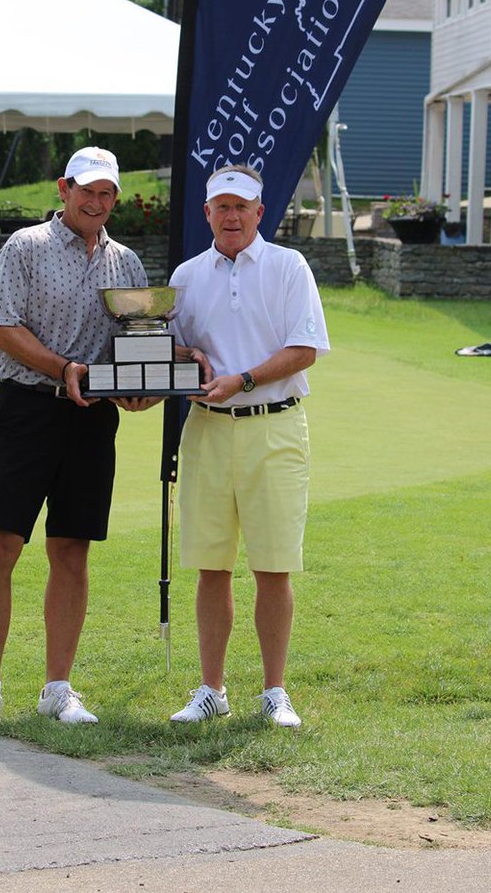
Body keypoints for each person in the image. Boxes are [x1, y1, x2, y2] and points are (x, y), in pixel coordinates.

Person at [0, 146, 156, 733]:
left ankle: (57, 689)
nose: (97, 203)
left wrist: (148, 382)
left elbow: (140, 340)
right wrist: (63, 369)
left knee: (71, 550)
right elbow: (1, 327)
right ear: (63, 189)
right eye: (87, 191)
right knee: (0, 546)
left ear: (115, 199)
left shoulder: (126, 263)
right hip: (25, 409)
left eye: (107, 194)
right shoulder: (25, 247)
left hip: (92, 419)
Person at [168, 163, 329, 728]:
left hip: (274, 427)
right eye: (221, 207)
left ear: (260, 212)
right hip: (208, 429)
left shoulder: (289, 266)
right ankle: (211, 688)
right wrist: (190, 361)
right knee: (211, 565)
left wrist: (244, 380)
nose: (231, 216)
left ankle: (274, 691)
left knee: (273, 565)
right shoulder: (187, 277)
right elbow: (176, 350)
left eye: (242, 207)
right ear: (207, 212)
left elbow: (305, 348)